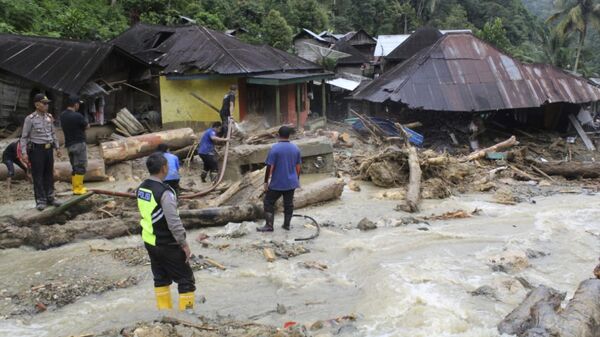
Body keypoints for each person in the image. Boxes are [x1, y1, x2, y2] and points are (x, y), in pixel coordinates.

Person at [136, 153, 195, 311]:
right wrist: (184, 244)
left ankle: (164, 314)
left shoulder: (141, 188)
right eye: (167, 165)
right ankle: (188, 317)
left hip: (150, 241)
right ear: (164, 168)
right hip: (167, 243)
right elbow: (173, 222)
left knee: (160, 278)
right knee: (186, 280)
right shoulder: (165, 192)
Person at [20, 93, 62, 211]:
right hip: (36, 150)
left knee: (49, 174)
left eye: (47, 103)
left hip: (48, 149)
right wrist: (24, 153)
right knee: (38, 175)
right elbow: (24, 137)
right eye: (44, 103)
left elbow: (53, 133)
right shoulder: (30, 119)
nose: (46, 106)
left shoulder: (49, 117)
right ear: (37, 104)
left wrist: (57, 147)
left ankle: (50, 197)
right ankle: (41, 200)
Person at [257, 126, 302, 232]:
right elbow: (298, 167)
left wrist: (265, 182)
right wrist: (297, 179)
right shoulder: (296, 148)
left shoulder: (275, 148)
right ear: (289, 135)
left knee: (268, 202)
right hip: (291, 182)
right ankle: (286, 225)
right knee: (288, 203)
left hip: (278, 182)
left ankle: (269, 225)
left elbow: (270, 166)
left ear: (278, 134)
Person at [60, 95, 89, 195]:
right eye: (78, 104)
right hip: (79, 143)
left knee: (74, 167)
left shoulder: (62, 115)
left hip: (69, 145)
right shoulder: (78, 116)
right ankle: (78, 188)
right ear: (76, 104)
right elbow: (86, 126)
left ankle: (75, 188)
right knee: (81, 166)